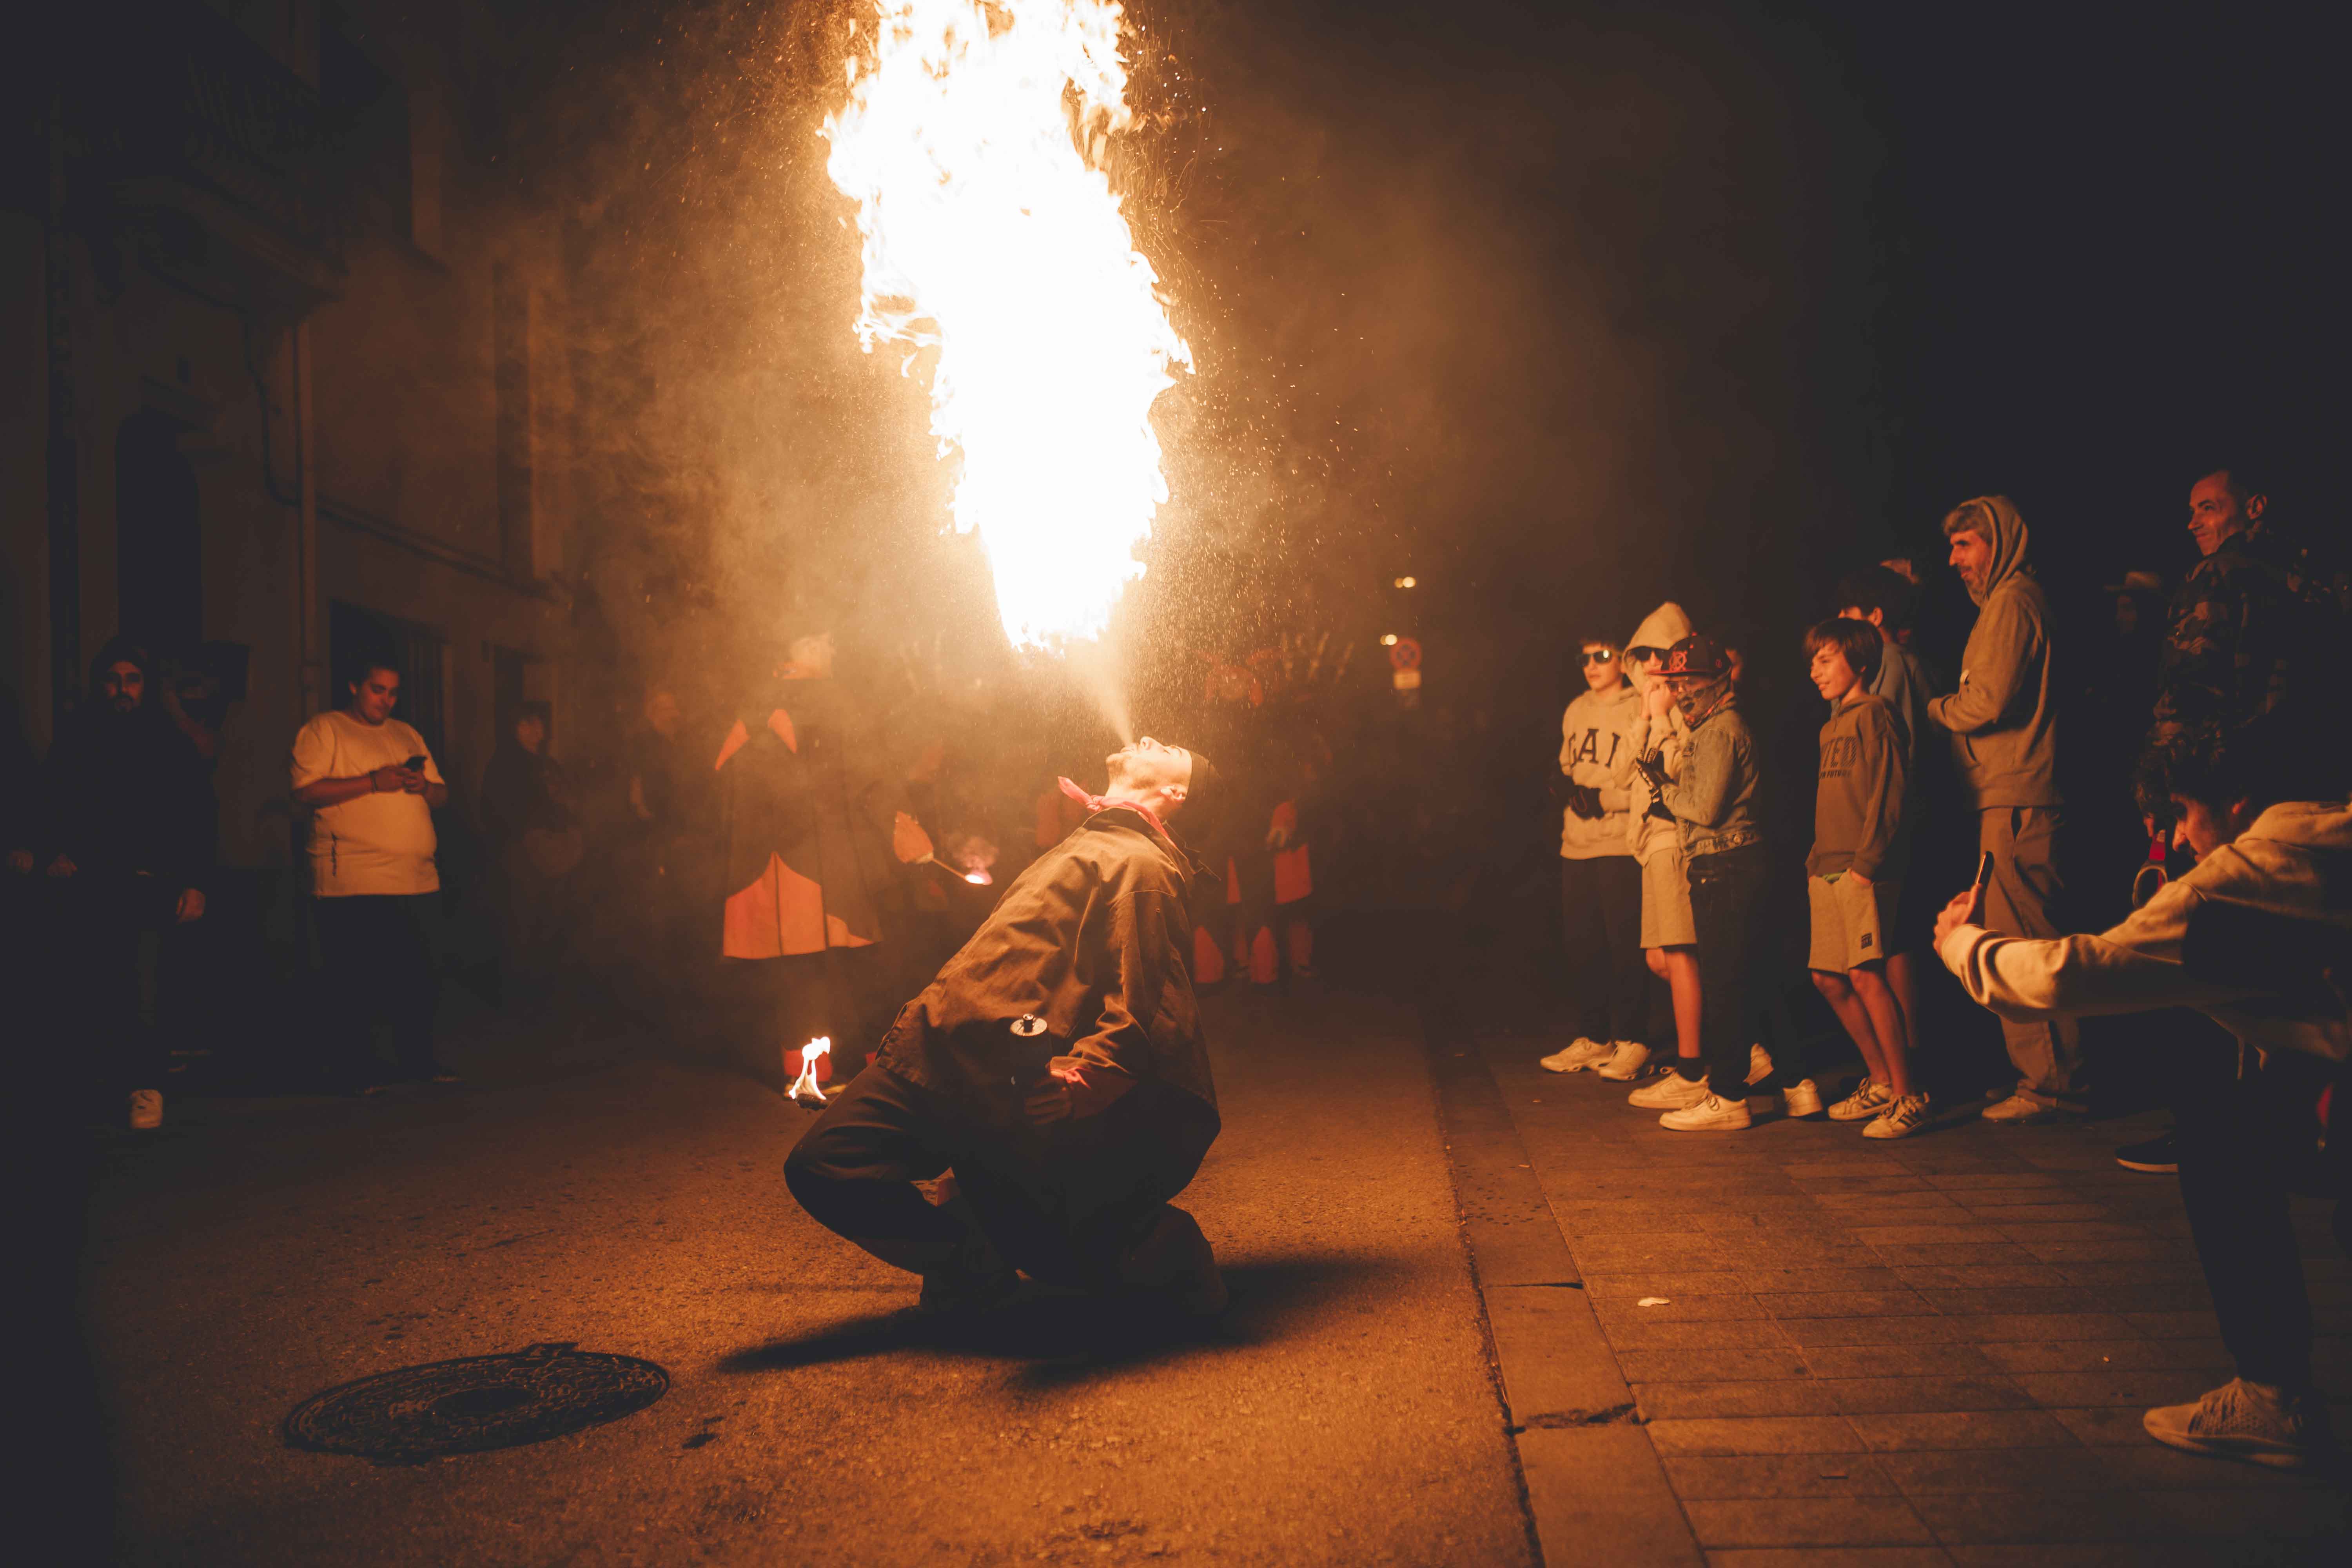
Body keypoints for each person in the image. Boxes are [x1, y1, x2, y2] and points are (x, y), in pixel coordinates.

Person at [1934, 719, 2348, 1468]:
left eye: (2187, 815)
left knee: (2222, 1144)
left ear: (2238, 803)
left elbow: (2075, 972)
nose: (2185, 840)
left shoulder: (2243, 882)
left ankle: (2270, 1395)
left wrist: (1963, 945)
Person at [785, 737, 1227, 1315]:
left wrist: (1085, 1080)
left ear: (1176, 792)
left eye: (1171, 748)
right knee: (824, 1163)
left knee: (1059, 1233)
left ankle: (1115, 1249)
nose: (1150, 738)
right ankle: (971, 1251)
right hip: (935, 1041)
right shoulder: (1094, 839)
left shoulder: (1142, 865)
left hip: (999, 1079)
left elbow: (1139, 999)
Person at [1926, 496, 2082, 1120]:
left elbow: (1989, 701)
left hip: (2019, 794)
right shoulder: (2011, 602)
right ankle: (2040, 1075)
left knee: (2024, 941)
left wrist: (1933, 710)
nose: (1955, 560)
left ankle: (2052, 1088)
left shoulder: (2013, 602)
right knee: (2015, 931)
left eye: (1966, 545)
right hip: (2014, 791)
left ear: (1999, 540)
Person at [43, 639, 213, 1129]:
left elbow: (197, 817)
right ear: (101, 684)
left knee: (143, 982)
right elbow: (52, 799)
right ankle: (100, 1087)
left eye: (133, 679)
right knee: (93, 981)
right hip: (91, 882)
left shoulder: (169, 743)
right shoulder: (77, 738)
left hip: (149, 882)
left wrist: (196, 882)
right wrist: (55, 851)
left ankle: (145, 1087)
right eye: (114, 679)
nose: (123, 689)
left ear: (146, 685)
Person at [716, 632, 899, 1083]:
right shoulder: (816, 702)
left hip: (790, 864)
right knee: (842, 968)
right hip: (811, 864)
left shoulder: (757, 705)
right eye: (823, 641)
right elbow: (864, 775)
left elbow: (722, 784)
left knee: (805, 969)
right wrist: (897, 825)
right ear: (798, 647)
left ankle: (817, 1073)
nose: (833, 650)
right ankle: (870, 1075)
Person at [1628, 634, 1776, 1129]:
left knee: (1726, 983)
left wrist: (1664, 790)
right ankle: (1786, 1084)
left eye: (1692, 682)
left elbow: (1706, 809)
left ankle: (1729, 1095)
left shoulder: (1719, 731)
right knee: (1735, 978)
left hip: (1726, 862)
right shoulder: (1710, 727)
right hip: (1722, 862)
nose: (1684, 692)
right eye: (1677, 683)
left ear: (1720, 680)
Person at [290, 660, 454, 1090]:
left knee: (419, 975)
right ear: (353, 685)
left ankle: (418, 1061)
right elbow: (306, 791)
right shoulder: (325, 729)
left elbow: (442, 794)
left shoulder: (407, 734)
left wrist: (422, 786)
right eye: (377, 690)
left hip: (417, 877)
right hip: (353, 878)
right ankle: (355, 1068)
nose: (386, 700)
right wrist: (373, 782)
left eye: (393, 692)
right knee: (355, 979)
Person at [1802, 618, 1924, 1136]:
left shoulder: (1878, 714)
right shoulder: (1832, 726)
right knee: (1828, 977)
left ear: (1861, 662)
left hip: (1861, 870)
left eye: (1826, 660)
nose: (1815, 671)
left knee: (1867, 974)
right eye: (1813, 662)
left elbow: (1889, 793)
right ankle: (1879, 1081)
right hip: (1826, 869)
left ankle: (1910, 1095)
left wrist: (1866, 865)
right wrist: (1815, 860)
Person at [1601, 603, 1701, 1084]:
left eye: (1659, 655)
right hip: (1646, 841)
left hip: (1674, 836)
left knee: (1681, 953)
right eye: (1641, 656)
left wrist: (1663, 717)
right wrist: (1644, 715)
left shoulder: (1687, 707)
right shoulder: (1649, 705)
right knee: (1660, 957)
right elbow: (1621, 773)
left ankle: (1696, 1067)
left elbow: (1682, 773)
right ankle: (1740, 1045)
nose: (1649, 665)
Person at [1541, 636, 1648, 1074]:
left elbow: (1643, 778)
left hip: (1620, 841)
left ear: (1623, 659)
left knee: (1623, 942)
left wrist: (1605, 799)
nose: (1592, 665)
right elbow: (1566, 768)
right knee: (1582, 942)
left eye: (1602, 656)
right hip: (1577, 842)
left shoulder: (1637, 704)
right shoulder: (1576, 708)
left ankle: (1633, 1039)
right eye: (1584, 657)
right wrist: (1565, 787)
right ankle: (1595, 1036)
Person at [480, 701, 579, 991]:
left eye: (538, 723)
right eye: (526, 724)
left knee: (552, 919)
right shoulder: (506, 764)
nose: (535, 729)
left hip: (557, 852)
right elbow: (497, 810)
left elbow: (568, 801)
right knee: (523, 921)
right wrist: (525, 838)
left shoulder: (549, 764)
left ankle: (546, 985)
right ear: (515, 729)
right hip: (522, 854)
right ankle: (520, 992)